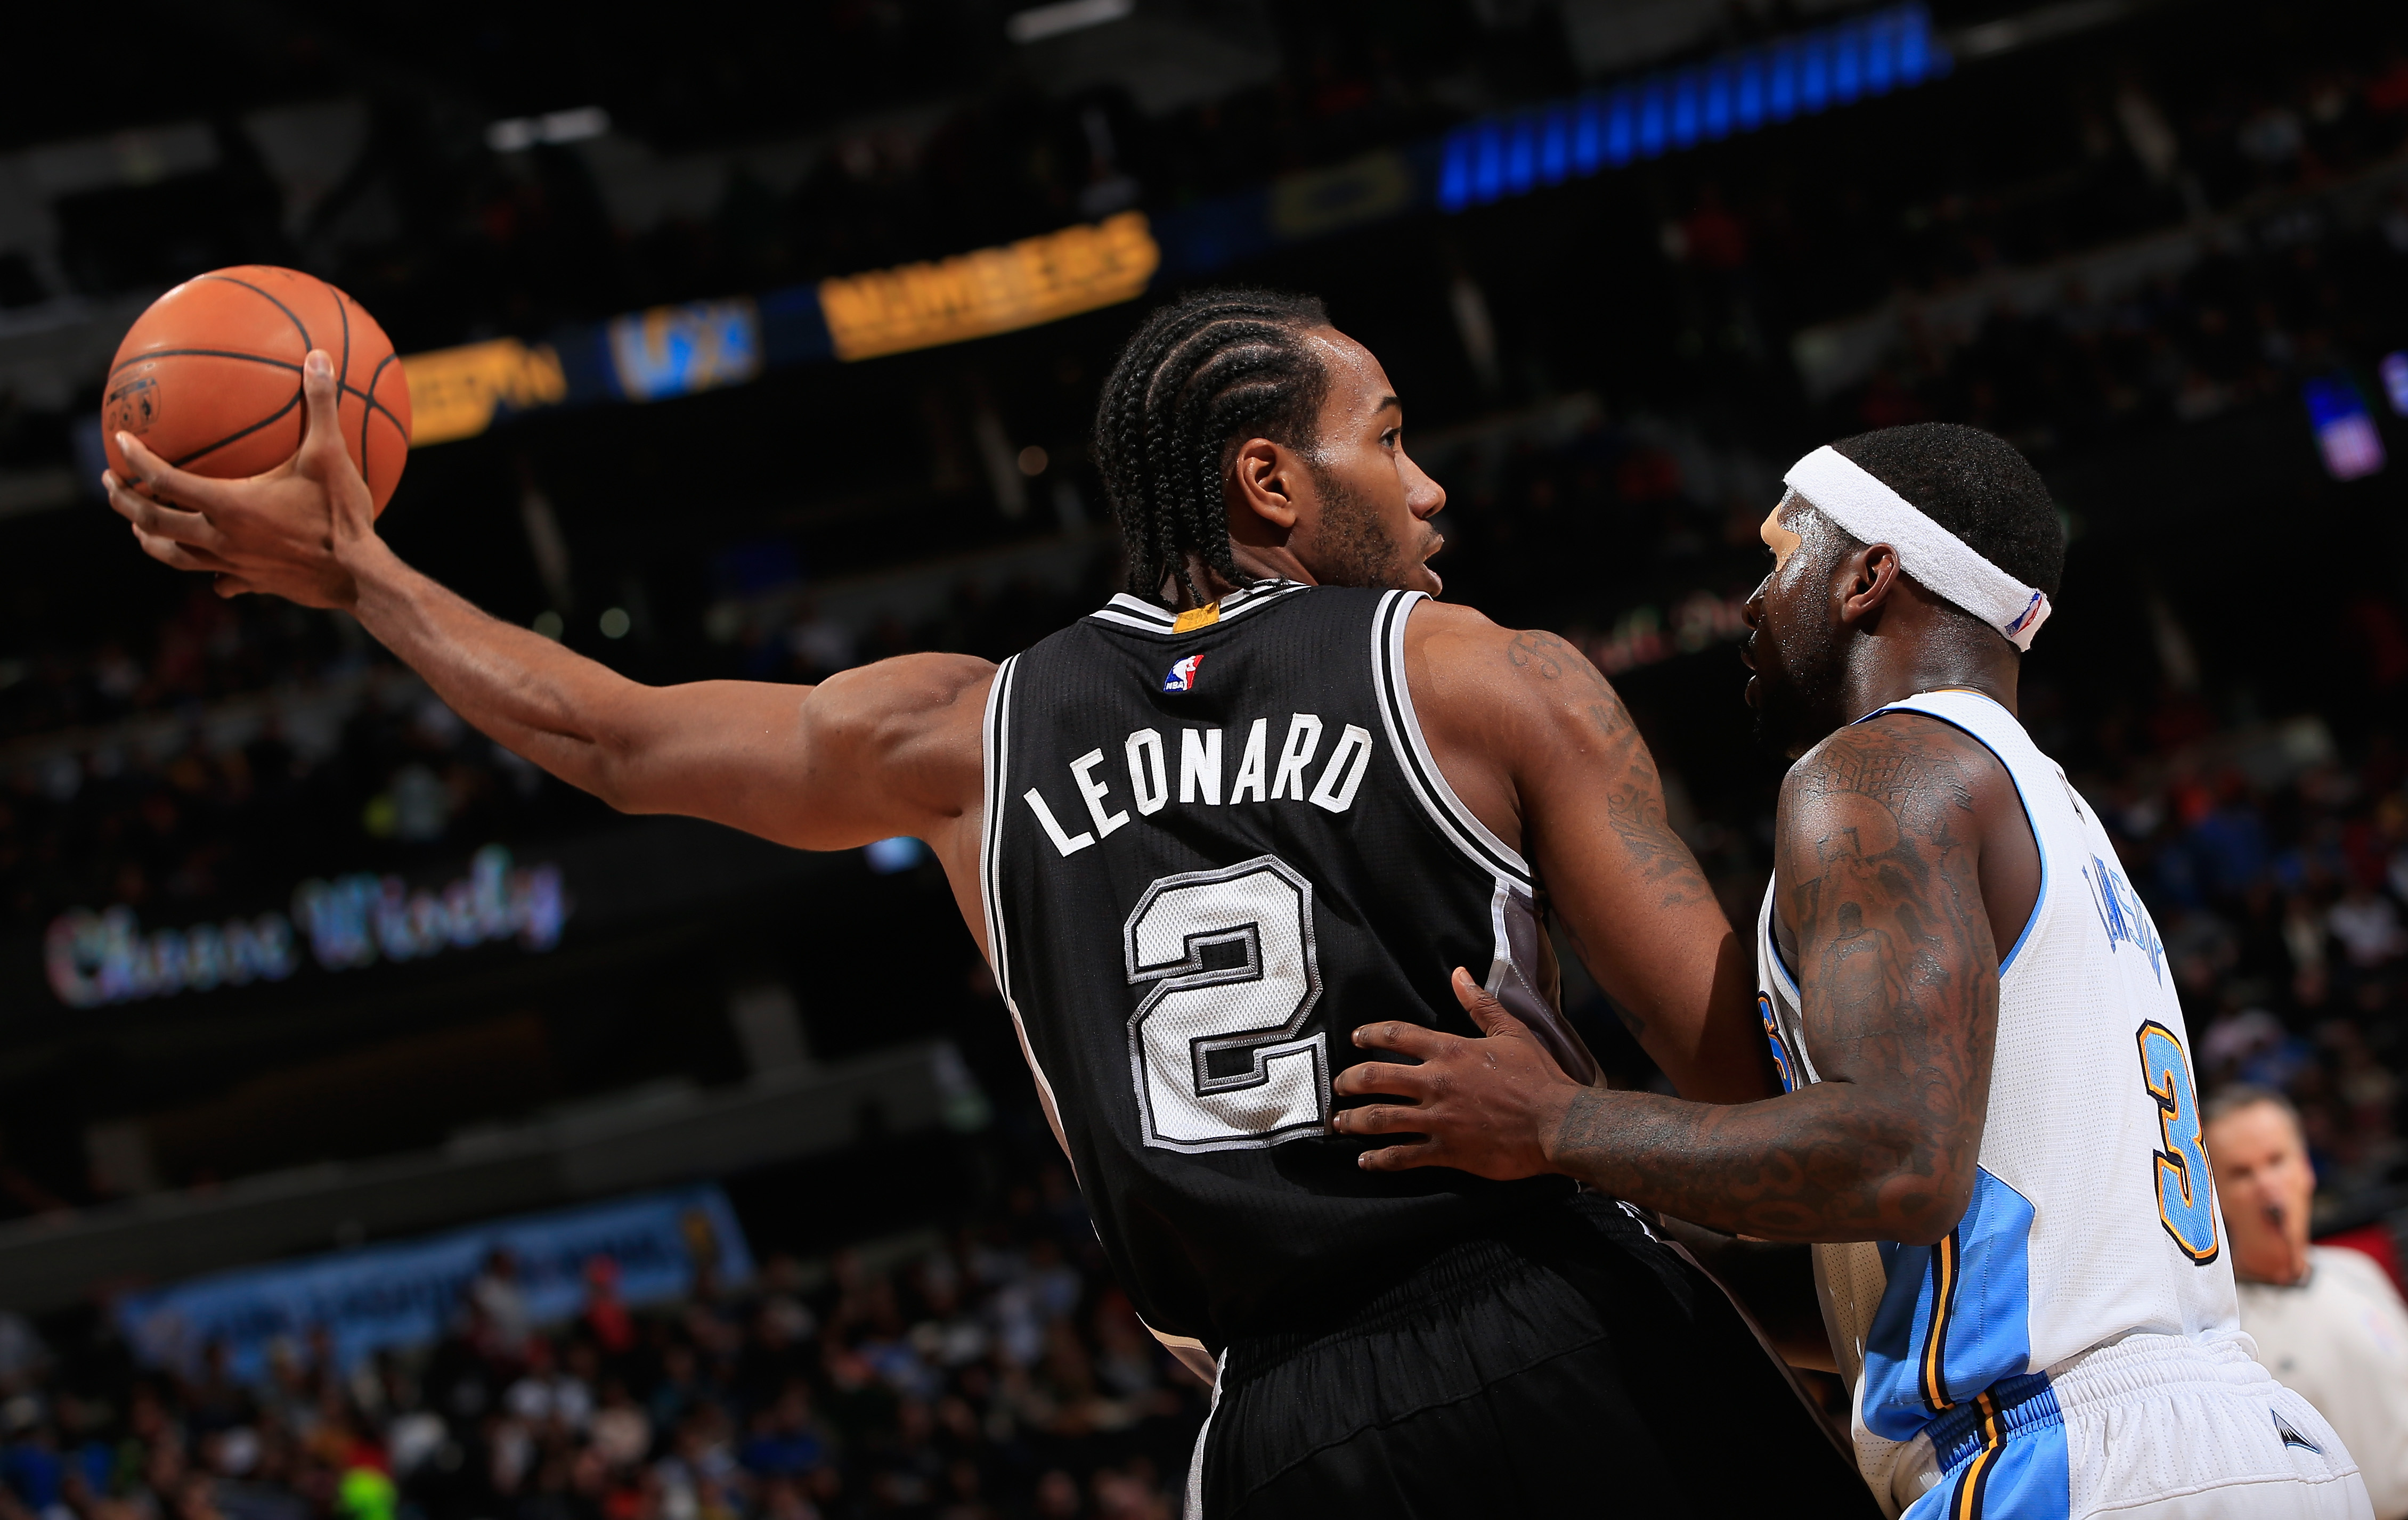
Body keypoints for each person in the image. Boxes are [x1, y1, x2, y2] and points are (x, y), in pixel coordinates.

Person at [100, 290, 1875, 1518]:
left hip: (1287, 1423)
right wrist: (1568, 1130)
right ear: (1270, 479)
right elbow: (1741, 1098)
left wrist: (368, 577)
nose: (1428, 485)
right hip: (1566, 1325)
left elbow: (620, 744)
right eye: (1392, 436)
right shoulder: (1493, 676)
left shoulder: (963, 728)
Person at [1331, 422, 2376, 1518]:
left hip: (2065, 1460)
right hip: (2247, 1442)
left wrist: (1557, 1121)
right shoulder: (2051, 807)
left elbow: (1896, 1158)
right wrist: (1592, 1210)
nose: (1749, 601)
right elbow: (1882, 1278)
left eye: (1781, 556)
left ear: (1868, 575)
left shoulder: (1878, 767)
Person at [2205, 1085, 2408, 1519]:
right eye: (2242, 1174)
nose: (2267, 1187)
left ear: (2306, 1169)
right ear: (2216, 1197)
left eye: (2277, 1161)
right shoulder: (2224, 1332)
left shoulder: (2358, 1272)